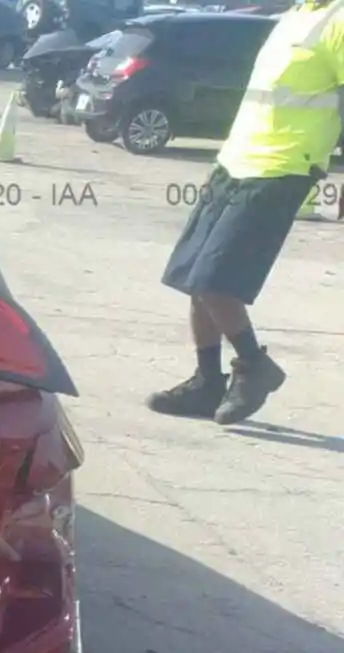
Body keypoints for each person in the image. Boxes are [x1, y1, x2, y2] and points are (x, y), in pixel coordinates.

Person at [148, 0, 344, 425]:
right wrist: (221, 160)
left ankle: (256, 366)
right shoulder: (295, 15)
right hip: (236, 161)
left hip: (282, 168)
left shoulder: (339, 20)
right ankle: (206, 382)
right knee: (192, 278)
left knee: (217, 282)